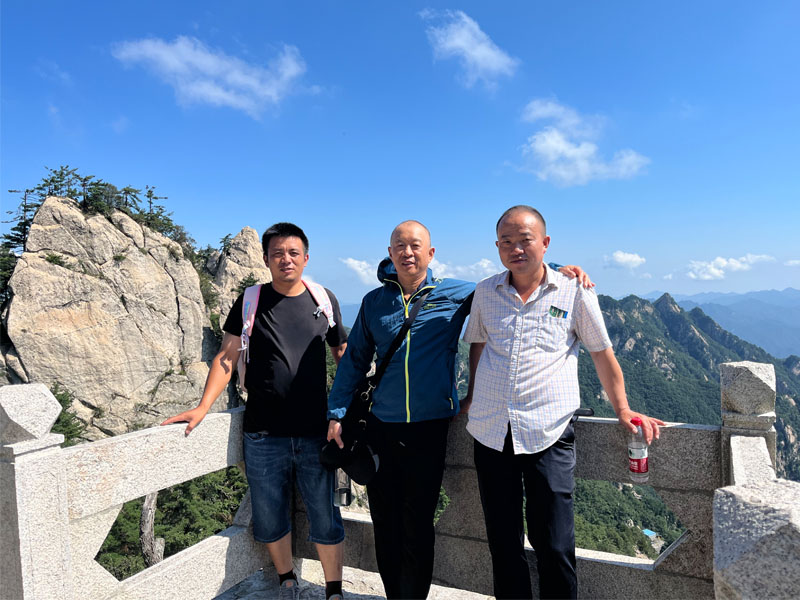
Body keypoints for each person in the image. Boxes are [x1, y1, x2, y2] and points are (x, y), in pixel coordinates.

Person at [327, 220, 591, 600]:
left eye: (415, 245)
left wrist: (557, 269)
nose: (407, 252)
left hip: (430, 427)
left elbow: (512, 280)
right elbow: (354, 360)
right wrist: (336, 412)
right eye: (400, 246)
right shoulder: (373, 302)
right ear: (390, 253)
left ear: (431, 253)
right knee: (385, 521)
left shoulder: (457, 293)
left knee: (418, 523)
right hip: (381, 425)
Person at [462, 205, 665, 600]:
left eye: (525, 240)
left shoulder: (574, 291)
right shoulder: (486, 291)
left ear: (545, 243)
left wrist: (622, 408)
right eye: (506, 242)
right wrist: (472, 394)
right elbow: (478, 344)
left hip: (549, 432)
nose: (516, 249)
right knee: (503, 542)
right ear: (497, 247)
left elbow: (602, 353)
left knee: (554, 544)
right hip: (490, 430)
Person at [162, 222, 348, 600]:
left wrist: (346, 410)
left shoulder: (323, 300)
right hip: (263, 432)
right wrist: (203, 407)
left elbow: (342, 354)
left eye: (293, 253)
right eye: (277, 253)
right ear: (265, 259)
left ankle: (334, 590)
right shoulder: (251, 301)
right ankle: (287, 580)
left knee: (325, 515)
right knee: (269, 514)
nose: (286, 259)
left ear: (306, 258)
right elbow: (227, 357)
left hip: (315, 431)